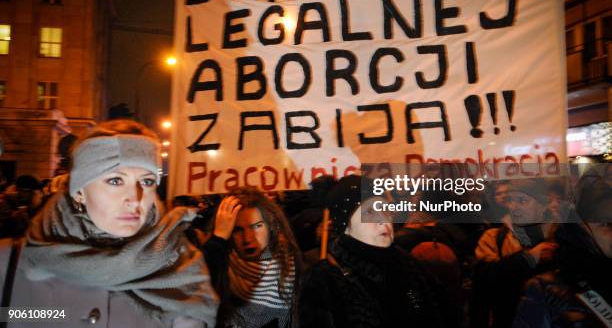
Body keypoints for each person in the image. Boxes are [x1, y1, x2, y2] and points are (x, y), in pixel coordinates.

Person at [0, 120, 219, 327]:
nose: (135, 197)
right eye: (115, 180)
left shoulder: (183, 267)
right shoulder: (9, 261)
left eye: (147, 181)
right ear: (79, 192)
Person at [298, 175, 455, 327]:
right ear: (344, 224)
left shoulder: (409, 265)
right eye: (369, 212)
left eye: (385, 209)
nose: (382, 219)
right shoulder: (324, 280)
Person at [513, 173, 612, 327]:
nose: (554, 204)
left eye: (557, 200)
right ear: (581, 230)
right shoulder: (546, 292)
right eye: (606, 224)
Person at [202, 189, 300, 328]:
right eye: (237, 230)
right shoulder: (217, 264)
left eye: (257, 226)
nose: (248, 239)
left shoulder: (290, 266)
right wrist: (218, 240)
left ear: (270, 227)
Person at [471, 177, 558, 328]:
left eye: (522, 201)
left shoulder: (562, 237)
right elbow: (483, 280)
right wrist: (527, 258)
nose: (513, 207)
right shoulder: (494, 237)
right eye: (510, 200)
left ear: (543, 205)